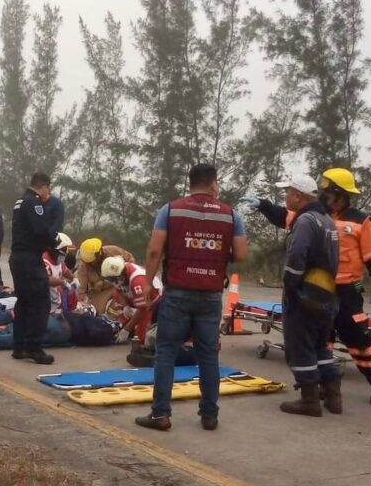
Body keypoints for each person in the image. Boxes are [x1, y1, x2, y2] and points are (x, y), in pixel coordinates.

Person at [241, 168, 371, 405]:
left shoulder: (361, 221)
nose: (322, 195)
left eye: (326, 191)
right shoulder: (319, 216)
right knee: (323, 342)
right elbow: (286, 216)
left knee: (358, 339)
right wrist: (263, 205)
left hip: (347, 290)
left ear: (338, 193)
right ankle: (326, 388)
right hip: (321, 290)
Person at [135, 164, 248, 432]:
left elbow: (154, 251)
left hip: (177, 292)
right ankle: (209, 415)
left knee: (166, 352)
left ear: (191, 183)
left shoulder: (170, 210)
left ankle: (160, 414)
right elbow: (241, 255)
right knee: (208, 355)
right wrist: (217, 254)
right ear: (213, 184)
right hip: (210, 295)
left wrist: (149, 282)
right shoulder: (231, 215)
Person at [270, 176, 341, 416]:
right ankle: (334, 396)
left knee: (300, 346)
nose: (285, 197)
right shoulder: (328, 221)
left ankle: (309, 399)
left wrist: (291, 287)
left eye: (287, 192)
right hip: (326, 294)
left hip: (305, 295)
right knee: (321, 346)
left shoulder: (305, 221)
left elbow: (297, 256)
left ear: (298, 196)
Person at [0, 233, 74, 351]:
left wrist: (74, 280)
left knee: (8, 322)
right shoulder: (43, 262)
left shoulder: (59, 263)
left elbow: (66, 272)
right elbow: (45, 279)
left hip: (48, 309)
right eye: (63, 250)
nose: (65, 254)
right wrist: (62, 283)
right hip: (40, 308)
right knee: (8, 319)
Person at [10, 172, 61, 364]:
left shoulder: (20, 202)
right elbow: (40, 230)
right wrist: (53, 241)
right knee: (40, 303)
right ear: (44, 186)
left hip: (17, 258)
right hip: (30, 259)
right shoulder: (35, 203)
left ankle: (19, 346)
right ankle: (34, 347)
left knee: (23, 302)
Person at [99, 256, 157, 345]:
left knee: (141, 340)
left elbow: (143, 309)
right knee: (115, 296)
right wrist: (126, 306)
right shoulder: (120, 271)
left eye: (113, 279)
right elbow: (117, 291)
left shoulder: (137, 280)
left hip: (152, 304)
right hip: (138, 299)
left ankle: (138, 327)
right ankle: (126, 324)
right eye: (109, 279)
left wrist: (126, 329)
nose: (112, 281)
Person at [77, 238, 136, 314]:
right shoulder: (84, 266)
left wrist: (127, 277)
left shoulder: (113, 250)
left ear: (99, 252)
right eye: (89, 262)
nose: (91, 263)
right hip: (101, 292)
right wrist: (81, 301)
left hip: (123, 285)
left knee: (134, 303)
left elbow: (130, 260)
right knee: (98, 313)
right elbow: (82, 288)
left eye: (92, 260)